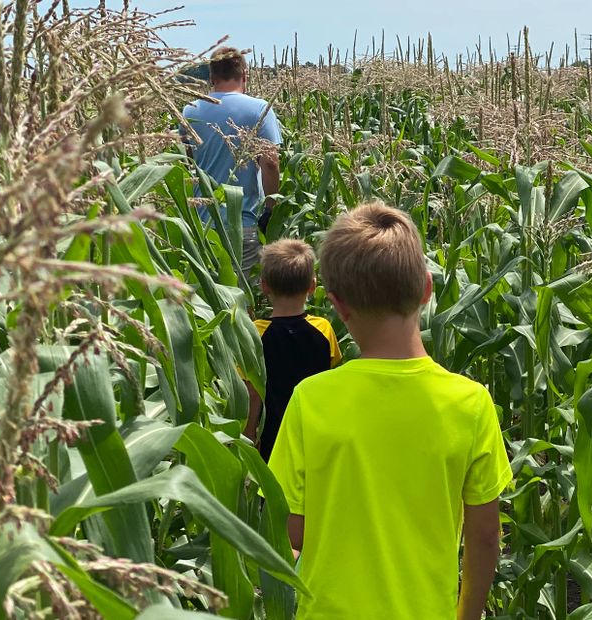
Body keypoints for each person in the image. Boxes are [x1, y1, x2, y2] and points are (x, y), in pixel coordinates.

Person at [269, 202, 512, 619]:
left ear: (338, 306)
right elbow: (485, 537)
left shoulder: (310, 399)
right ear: (426, 290)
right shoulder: (470, 403)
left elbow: (290, 532)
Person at [181, 46, 282, 277]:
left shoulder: (189, 110)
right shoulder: (258, 109)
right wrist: (270, 209)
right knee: (241, 300)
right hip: (242, 223)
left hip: (203, 225)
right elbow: (270, 163)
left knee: (208, 301)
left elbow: (189, 163)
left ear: (211, 77)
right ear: (244, 75)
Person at [242, 239, 341, 461]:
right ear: (312, 286)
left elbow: (253, 391)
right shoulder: (323, 329)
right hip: (316, 431)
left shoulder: (256, 335)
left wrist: (249, 432)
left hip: (273, 436)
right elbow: (332, 379)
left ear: (264, 285)